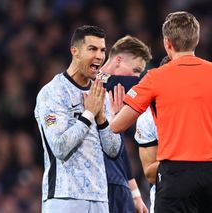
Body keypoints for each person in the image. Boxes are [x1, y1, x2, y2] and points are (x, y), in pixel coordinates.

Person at [110, 11, 212, 213]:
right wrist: (203, 125)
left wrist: (115, 114)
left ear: (167, 43)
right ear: (197, 39)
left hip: (176, 176)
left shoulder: (154, 78)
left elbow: (117, 126)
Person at [34, 25, 122, 213]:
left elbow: (113, 150)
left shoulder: (100, 93)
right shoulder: (52, 93)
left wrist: (101, 118)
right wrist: (89, 114)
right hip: (63, 197)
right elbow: (59, 146)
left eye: (102, 50)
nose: (99, 56)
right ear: (75, 51)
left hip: (99, 197)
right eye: (92, 49)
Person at [98, 35, 152, 213]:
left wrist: (135, 193)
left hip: (118, 183)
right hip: (100, 185)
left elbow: (119, 147)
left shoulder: (115, 93)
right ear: (118, 60)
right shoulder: (93, 82)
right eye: (136, 70)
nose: (136, 78)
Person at [134, 56, 170, 213]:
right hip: (168, 198)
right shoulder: (148, 118)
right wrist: (185, 161)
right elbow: (149, 173)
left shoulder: (201, 107)